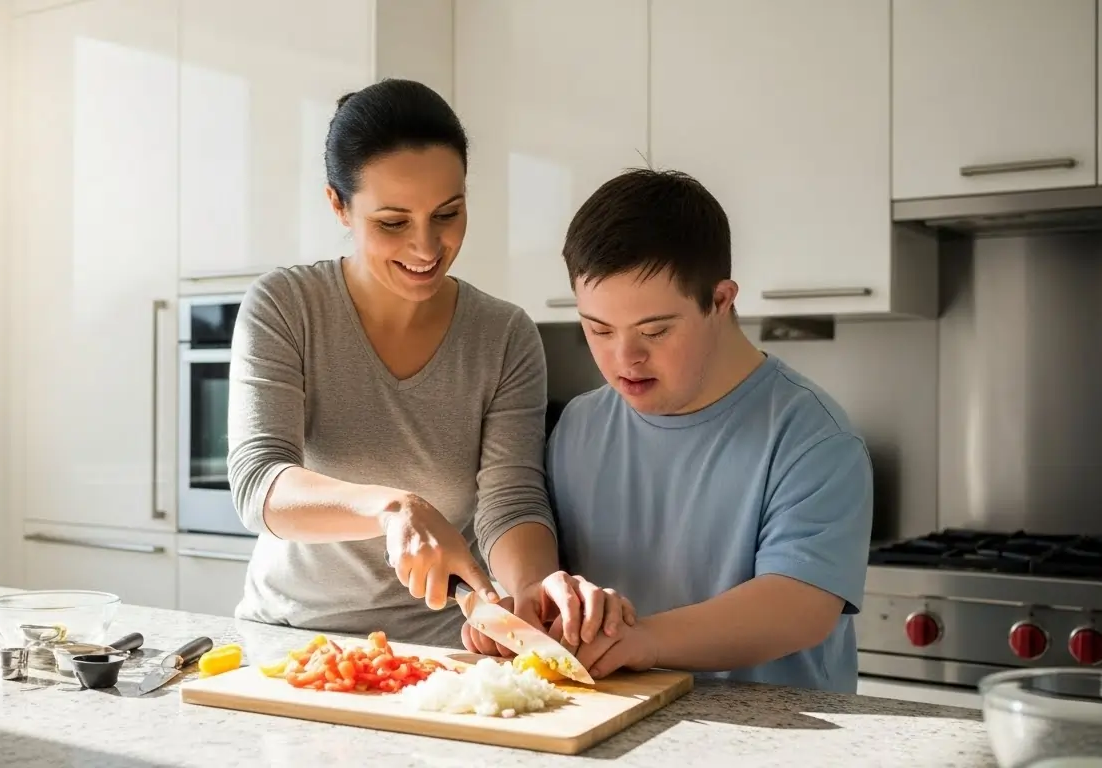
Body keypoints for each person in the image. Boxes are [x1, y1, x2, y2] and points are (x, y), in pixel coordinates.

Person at [226, 78, 628, 649]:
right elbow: (259, 482)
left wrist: (530, 593)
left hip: (441, 649)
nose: (427, 247)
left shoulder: (503, 335)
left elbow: (510, 497)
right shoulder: (286, 307)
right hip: (292, 639)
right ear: (338, 205)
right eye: (393, 222)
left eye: (448, 213)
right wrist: (393, 509)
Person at [533, 168, 873, 693]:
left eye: (655, 331)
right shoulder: (578, 425)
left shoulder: (813, 436)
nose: (625, 358)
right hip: (612, 724)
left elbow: (801, 606)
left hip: (772, 732)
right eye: (598, 329)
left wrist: (646, 640)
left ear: (720, 300)